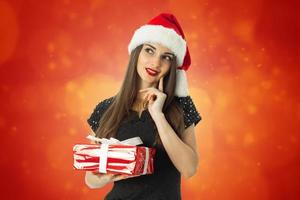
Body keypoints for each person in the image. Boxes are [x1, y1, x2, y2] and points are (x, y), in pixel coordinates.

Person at [85, 13, 202, 200]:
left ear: (172, 65)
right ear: (137, 52)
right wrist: (104, 177)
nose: (156, 62)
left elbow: (189, 169)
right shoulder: (106, 108)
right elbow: (91, 178)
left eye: (167, 57)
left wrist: (158, 116)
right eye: (150, 50)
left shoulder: (180, 106)